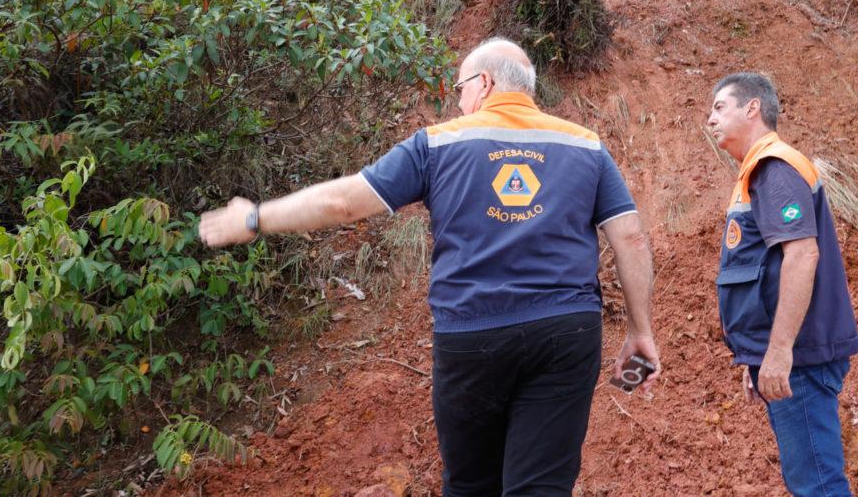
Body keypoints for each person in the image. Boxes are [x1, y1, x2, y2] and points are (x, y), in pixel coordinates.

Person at [199, 37, 659, 496]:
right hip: (565, 332)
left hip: (471, 335)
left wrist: (256, 217)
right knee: (541, 488)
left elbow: (341, 203)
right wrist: (640, 332)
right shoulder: (585, 145)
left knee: (471, 484)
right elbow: (631, 238)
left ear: (484, 82)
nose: (458, 101)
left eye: (459, 87)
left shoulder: (437, 143)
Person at [705, 72, 858, 497]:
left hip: (801, 360)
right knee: (809, 480)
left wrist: (778, 352)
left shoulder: (774, 167)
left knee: (818, 486)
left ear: (753, 108)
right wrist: (758, 352)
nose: (710, 119)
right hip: (794, 357)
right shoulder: (758, 172)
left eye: (720, 107)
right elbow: (765, 268)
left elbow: (801, 255)